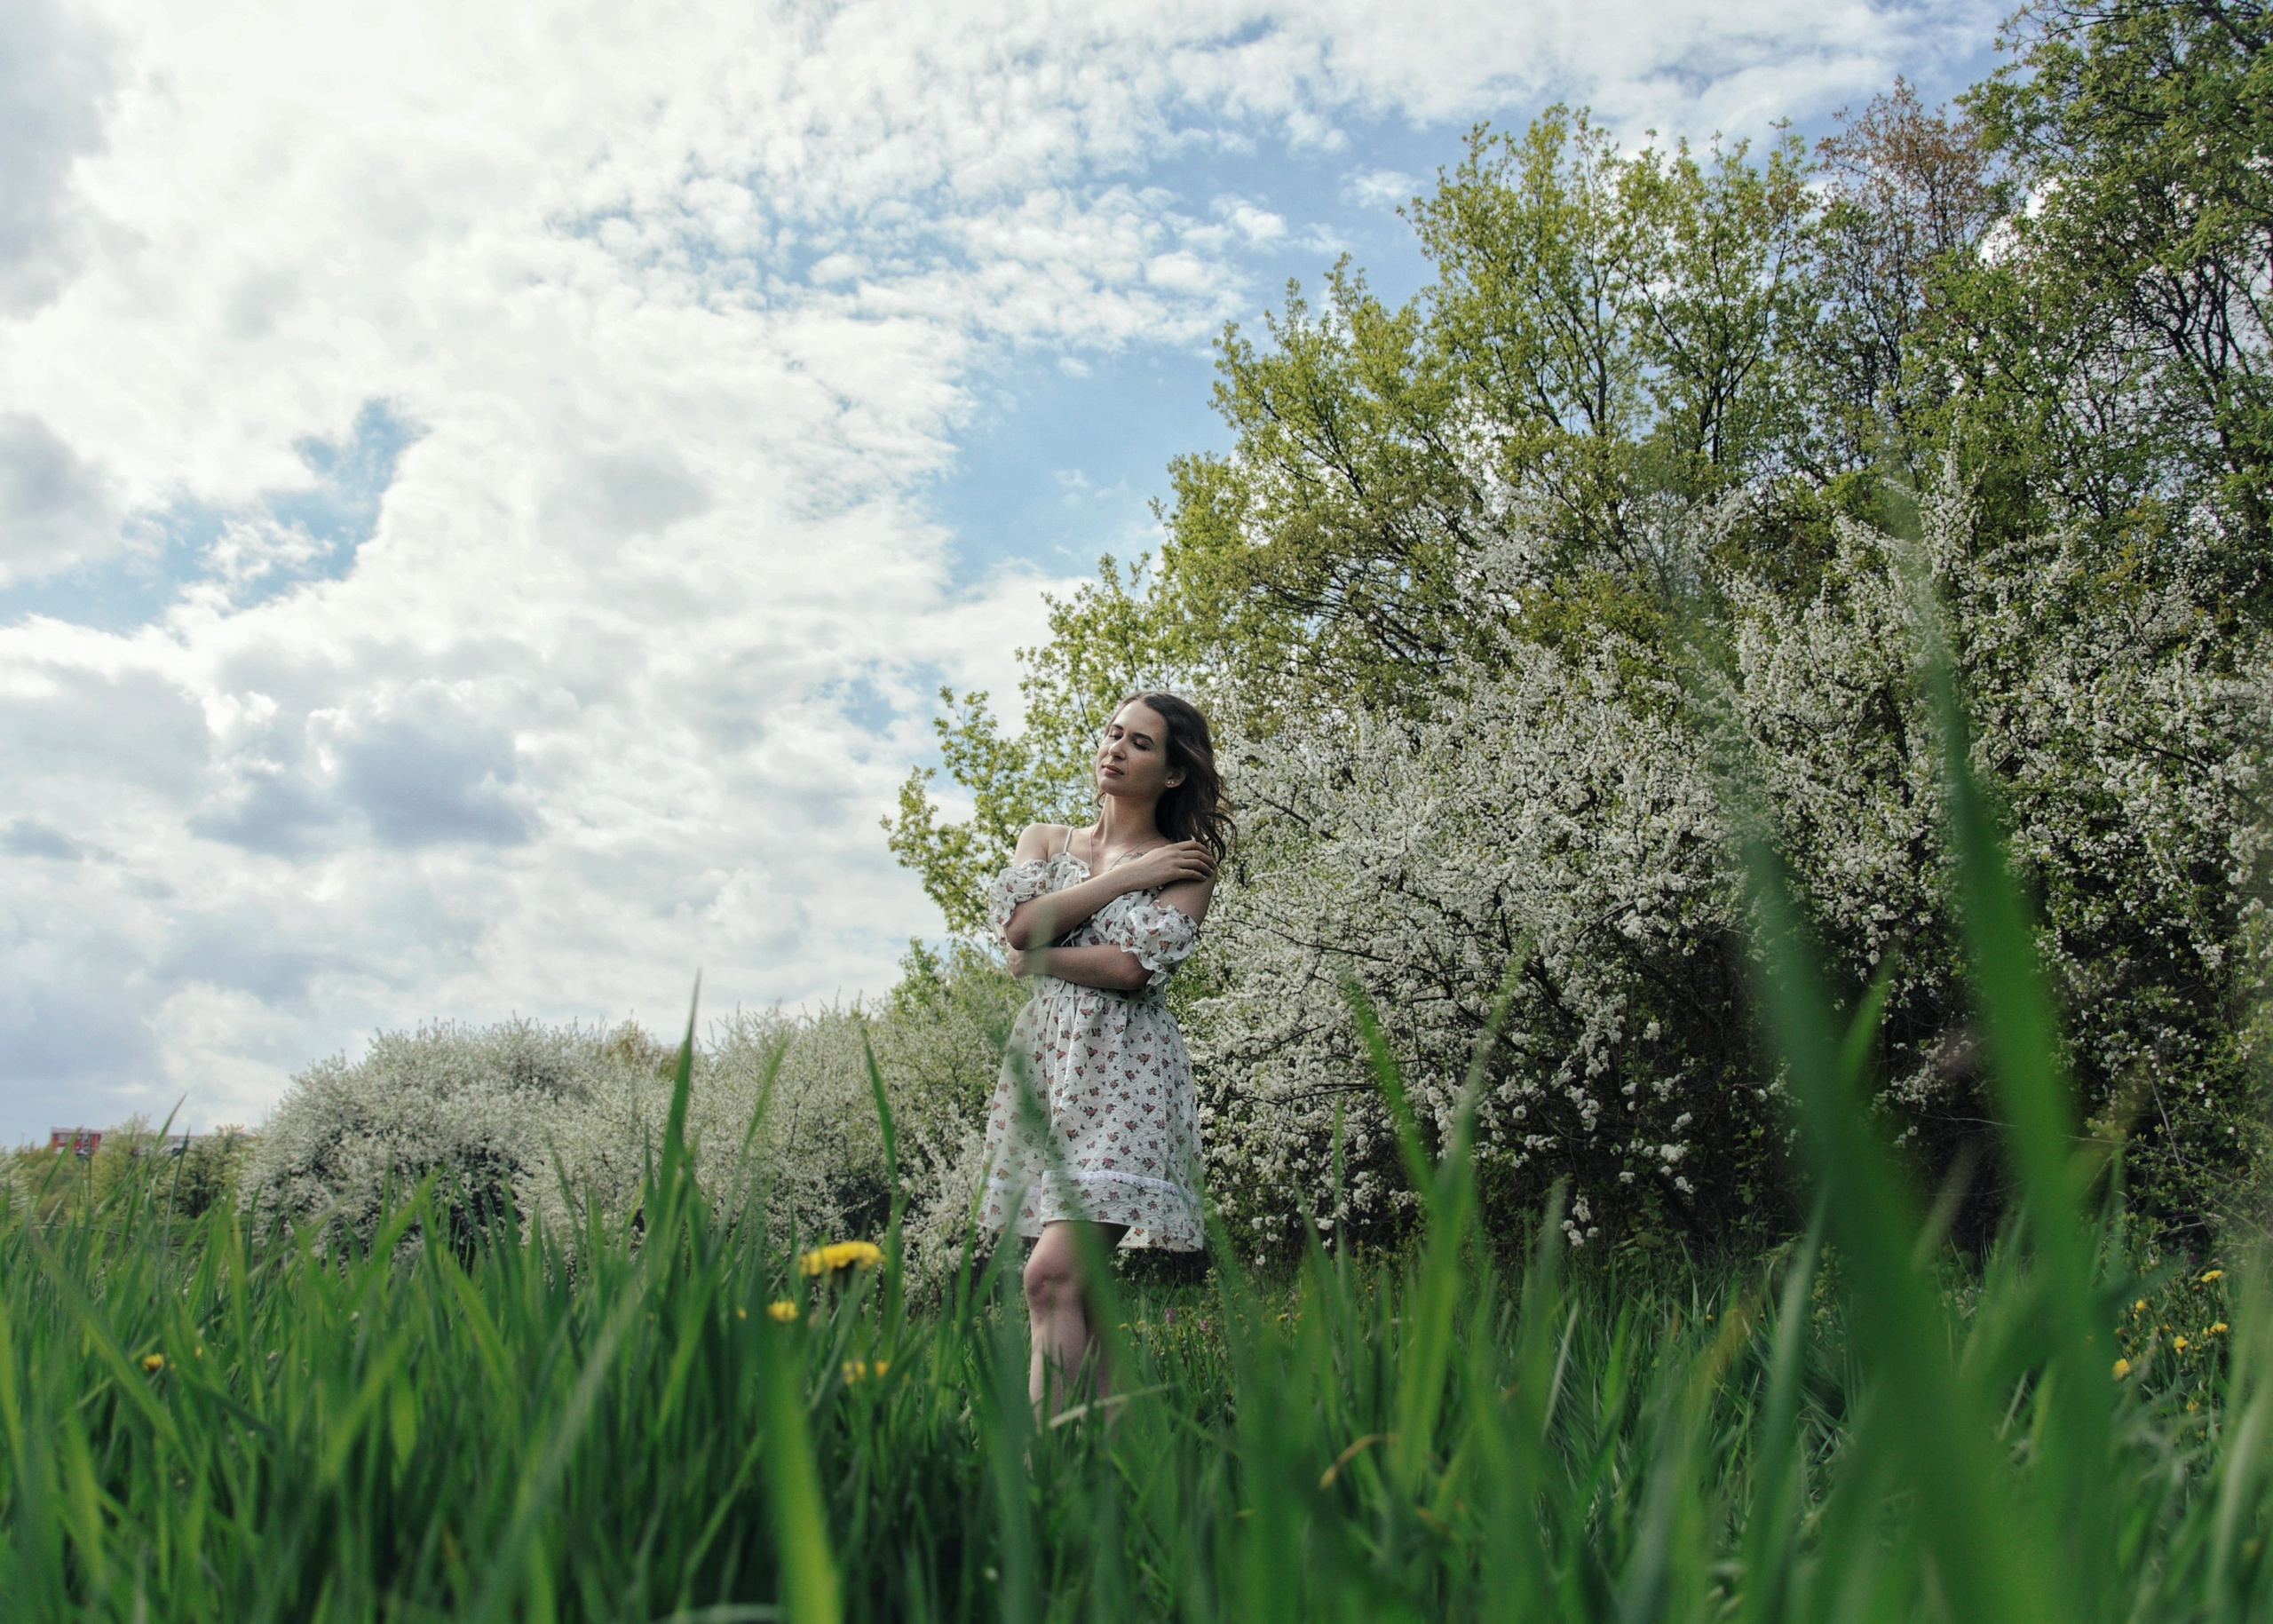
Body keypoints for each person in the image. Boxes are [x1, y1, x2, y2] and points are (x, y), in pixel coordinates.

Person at [978, 691, 1231, 1415]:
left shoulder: (1187, 862)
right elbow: (1022, 925)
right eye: (1114, 733)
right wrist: (1120, 880)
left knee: (1050, 1278)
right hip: (1051, 1071)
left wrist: (1043, 957)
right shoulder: (1044, 840)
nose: (1116, 748)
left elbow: (1130, 970)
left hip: (1129, 1076)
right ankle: (1127, 1466)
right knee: (1079, 1291)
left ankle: (1047, 1471)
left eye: (1141, 743)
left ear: (1174, 773)